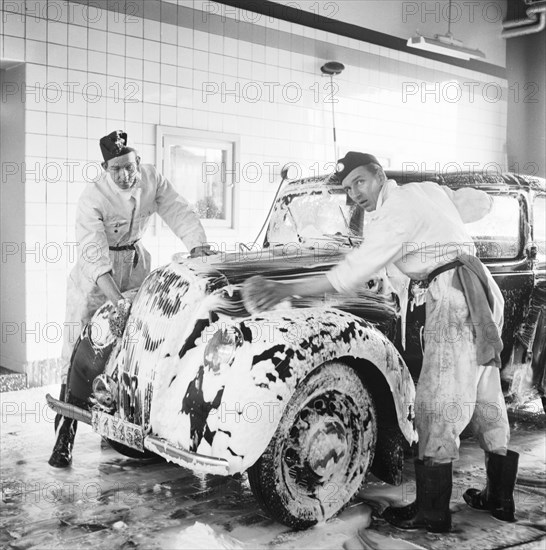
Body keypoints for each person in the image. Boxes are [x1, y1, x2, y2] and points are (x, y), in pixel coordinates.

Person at [242, 152, 519, 533]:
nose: (355, 194)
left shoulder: (393, 213)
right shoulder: (424, 190)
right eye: (347, 189)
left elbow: (349, 275)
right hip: (482, 289)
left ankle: (432, 513)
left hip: (454, 297)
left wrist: (283, 289)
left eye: (360, 182)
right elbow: (476, 203)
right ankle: (499, 498)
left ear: (378, 175)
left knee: (438, 401)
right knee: (485, 390)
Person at [49, 130, 214, 468]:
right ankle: (64, 434)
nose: (125, 176)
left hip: (135, 264)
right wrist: (118, 304)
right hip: (95, 279)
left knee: (132, 348)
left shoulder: (153, 179)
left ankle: (118, 429)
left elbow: (179, 212)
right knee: (83, 350)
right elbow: (94, 255)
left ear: (138, 161)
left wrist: (198, 247)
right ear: (105, 169)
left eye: (129, 166)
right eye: (116, 170)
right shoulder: (92, 198)